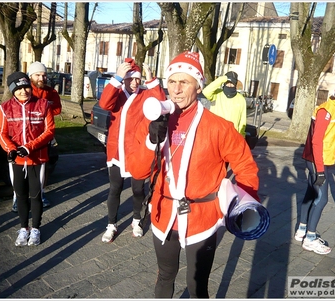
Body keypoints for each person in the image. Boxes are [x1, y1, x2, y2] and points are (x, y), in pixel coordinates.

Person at [127, 51, 259, 298]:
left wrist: (246, 203)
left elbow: (245, 166)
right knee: (165, 275)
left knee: (198, 283)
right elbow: (138, 171)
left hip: (202, 218)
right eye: (172, 82)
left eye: (184, 82)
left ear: (198, 86)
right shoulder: (154, 121)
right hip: (164, 214)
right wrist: (151, 140)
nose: (176, 90)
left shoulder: (219, 127)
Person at [99, 58, 166, 242]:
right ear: (124, 79)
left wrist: (152, 81)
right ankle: (111, 224)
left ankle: (137, 220)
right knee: (115, 189)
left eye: (138, 79)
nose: (135, 82)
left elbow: (162, 104)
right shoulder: (117, 94)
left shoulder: (145, 95)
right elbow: (104, 104)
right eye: (131, 79)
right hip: (117, 151)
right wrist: (117, 78)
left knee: (138, 190)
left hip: (137, 152)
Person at [295, 75, 335, 255]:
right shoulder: (326, 111)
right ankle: (310, 239)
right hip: (316, 160)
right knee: (322, 200)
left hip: (320, 159)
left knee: (310, 193)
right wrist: (320, 171)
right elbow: (317, 141)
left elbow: (332, 139)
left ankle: (302, 230)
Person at [0, 71, 55, 246]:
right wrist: (12, 149)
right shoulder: (5, 108)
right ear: (13, 90)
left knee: (36, 195)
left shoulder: (43, 105)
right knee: (20, 195)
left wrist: (28, 147)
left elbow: (49, 131)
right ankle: (23, 228)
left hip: (37, 159)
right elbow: (1, 133)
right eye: (19, 88)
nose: (24, 91)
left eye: (26, 87)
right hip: (17, 161)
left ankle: (36, 228)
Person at [11, 61, 61, 212]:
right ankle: (17, 197)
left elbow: (57, 109)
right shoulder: (24, 90)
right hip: (23, 135)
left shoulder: (51, 92)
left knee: (42, 168)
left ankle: (40, 194)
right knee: (20, 169)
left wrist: (44, 109)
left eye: (44, 75)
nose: (41, 78)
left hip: (44, 136)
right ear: (31, 76)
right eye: (38, 75)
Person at [202, 71, 247, 136]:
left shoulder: (241, 99)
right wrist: (222, 79)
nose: (229, 85)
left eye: (232, 83)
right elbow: (205, 92)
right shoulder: (217, 94)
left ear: (235, 84)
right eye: (227, 83)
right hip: (215, 134)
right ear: (224, 83)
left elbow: (242, 121)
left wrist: (241, 136)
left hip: (231, 136)